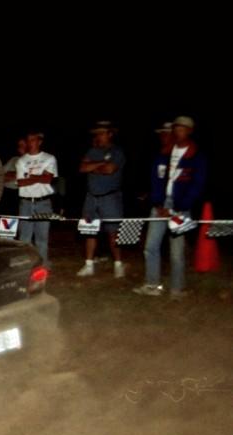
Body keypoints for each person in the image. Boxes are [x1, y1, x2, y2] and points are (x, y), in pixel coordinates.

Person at [133, 116, 207, 299]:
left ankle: (177, 289)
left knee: (176, 251)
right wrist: (158, 203)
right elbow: (155, 180)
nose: (178, 132)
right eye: (176, 128)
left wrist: (180, 207)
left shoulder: (196, 156)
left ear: (189, 131)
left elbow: (197, 186)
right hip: (159, 206)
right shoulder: (164, 154)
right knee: (150, 246)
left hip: (180, 208)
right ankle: (152, 285)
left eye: (182, 129)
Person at [76, 121, 127, 278]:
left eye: (101, 133)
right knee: (89, 230)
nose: (98, 136)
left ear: (110, 134)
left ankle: (118, 264)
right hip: (91, 197)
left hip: (110, 197)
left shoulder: (117, 151)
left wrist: (93, 167)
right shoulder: (92, 150)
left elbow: (110, 169)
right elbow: (82, 168)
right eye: (96, 133)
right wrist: (100, 165)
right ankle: (89, 264)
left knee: (113, 232)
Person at [16, 130, 58, 266]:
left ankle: (43, 265)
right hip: (26, 203)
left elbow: (48, 179)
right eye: (28, 140)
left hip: (43, 202)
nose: (30, 143)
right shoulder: (21, 161)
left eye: (33, 140)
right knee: (25, 238)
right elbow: (21, 182)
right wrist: (40, 176)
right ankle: (26, 266)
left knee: (42, 238)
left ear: (39, 142)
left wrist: (30, 176)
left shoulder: (49, 158)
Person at [0, 137, 26, 215]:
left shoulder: (30, 160)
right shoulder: (14, 159)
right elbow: (0, 174)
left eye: (22, 144)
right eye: (19, 145)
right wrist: (13, 175)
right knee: (5, 220)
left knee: (17, 219)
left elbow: (23, 177)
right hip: (6, 192)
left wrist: (11, 174)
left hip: (19, 194)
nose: (20, 147)